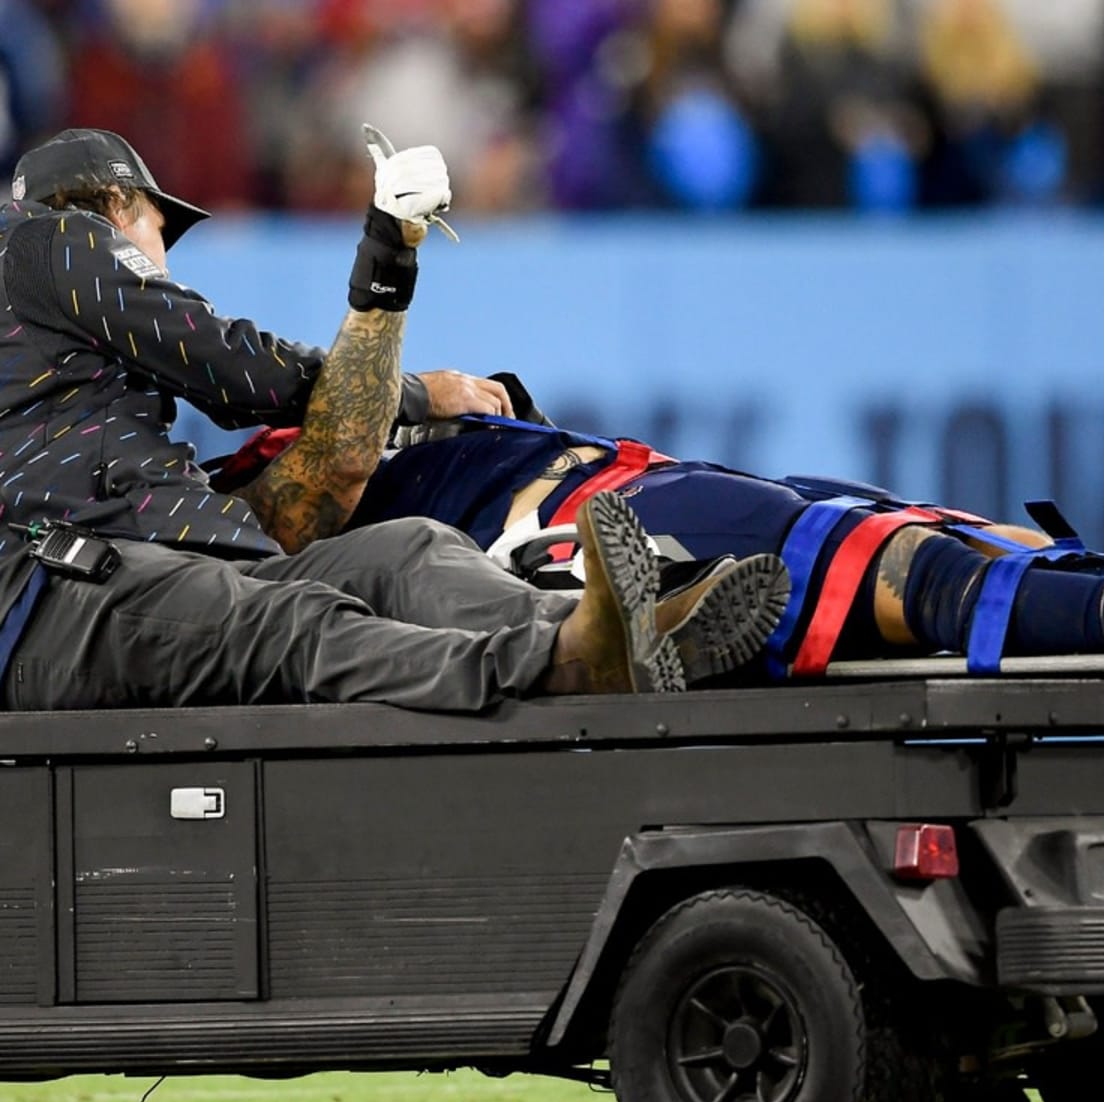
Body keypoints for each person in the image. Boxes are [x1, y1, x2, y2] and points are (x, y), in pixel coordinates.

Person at [0, 125, 789, 711]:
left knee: (406, 552)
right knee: (293, 619)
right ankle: (562, 657)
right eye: (158, 228)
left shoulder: (48, 335)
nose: (164, 257)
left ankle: (623, 629)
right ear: (113, 203)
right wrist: (419, 393)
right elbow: (243, 375)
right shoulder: (50, 241)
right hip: (55, 595)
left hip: (124, 578)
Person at [213, 396, 1104, 682]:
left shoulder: (351, 417)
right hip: (566, 533)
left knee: (948, 534)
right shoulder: (247, 503)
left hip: (634, 480)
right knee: (902, 575)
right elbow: (312, 497)